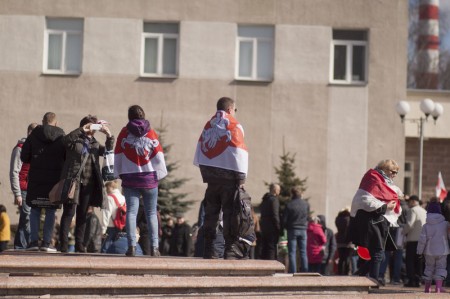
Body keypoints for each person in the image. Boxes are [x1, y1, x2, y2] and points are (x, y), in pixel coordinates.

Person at [193, 97, 250, 260]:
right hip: (229, 178)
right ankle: (230, 250)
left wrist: (206, 172)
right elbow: (240, 152)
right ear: (231, 109)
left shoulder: (209, 124)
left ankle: (209, 249)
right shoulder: (234, 125)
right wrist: (241, 177)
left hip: (212, 178)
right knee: (229, 214)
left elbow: (201, 148)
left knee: (211, 214)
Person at [114, 105, 167, 257]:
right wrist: (159, 173)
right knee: (151, 213)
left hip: (130, 178)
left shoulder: (124, 132)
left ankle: (131, 246)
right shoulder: (150, 132)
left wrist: (118, 173)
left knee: (131, 212)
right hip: (149, 178)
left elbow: (118, 154)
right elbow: (159, 155)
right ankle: (155, 248)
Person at [59, 115, 114, 253]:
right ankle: (64, 245)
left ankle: (79, 244)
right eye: (91, 126)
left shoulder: (94, 143)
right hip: (74, 181)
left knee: (83, 215)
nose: (92, 129)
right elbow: (64, 142)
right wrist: (81, 129)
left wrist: (109, 136)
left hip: (89, 183)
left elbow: (108, 150)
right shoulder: (75, 139)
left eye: (94, 126)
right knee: (69, 213)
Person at [349, 159, 401, 282]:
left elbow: (385, 194)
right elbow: (364, 199)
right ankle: (373, 281)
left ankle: (360, 276)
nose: (394, 175)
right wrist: (385, 206)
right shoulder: (373, 178)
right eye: (393, 172)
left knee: (379, 255)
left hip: (378, 221)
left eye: (396, 173)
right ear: (385, 170)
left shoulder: (382, 181)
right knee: (378, 253)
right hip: (371, 221)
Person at [21, 112, 65, 252]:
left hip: (36, 179)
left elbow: (24, 156)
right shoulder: (61, 136)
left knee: (35, 209)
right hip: (53, 180)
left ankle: (33, 242)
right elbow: (66, 157)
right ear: (56, 123)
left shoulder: (34, 135)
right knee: (51, 211)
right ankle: (46, 243)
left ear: (43, 121)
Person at [9, 123, 37, 250]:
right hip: (23, 188)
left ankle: (20, 246)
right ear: (29, 133)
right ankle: (31, 243)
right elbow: (14, 171)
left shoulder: (35, 148)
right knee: (27, 216)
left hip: (32, 188)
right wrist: (17, 193)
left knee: (25, 218)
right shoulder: (20, 148)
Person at [417, 201, 450, 293]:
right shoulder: (445, 224)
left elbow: (422, 240)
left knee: (429, 267)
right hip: (443, 250)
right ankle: (438, 288)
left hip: (429, 251)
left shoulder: (426, 226)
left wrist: (419, 251)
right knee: (441, 268)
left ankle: (427, 288)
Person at [282, 186, 310, 273]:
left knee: (292, 252)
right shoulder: (306, 204)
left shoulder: (289, 204)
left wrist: (286, 227)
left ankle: (293, 271)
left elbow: (284, 220)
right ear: (300, 193)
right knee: (303, 252)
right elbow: (307, 217)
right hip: (303, 229)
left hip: (292, 229)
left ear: (292, 194)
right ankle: (305, 270)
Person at [402, 195, 427, 287]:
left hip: (413, 240)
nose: (408, 204)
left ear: (412, 201)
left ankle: (411, 281)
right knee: (419, 262)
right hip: (422, 241)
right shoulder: (424, 211)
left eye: (409, 202)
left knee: (410, 261)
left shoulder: (412, 210)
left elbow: (409, 224)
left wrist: (403, 232)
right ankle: (418, 280)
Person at [101, 180, 126, 253]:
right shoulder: (123, 197)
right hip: (120, 226)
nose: (106, 190)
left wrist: (103, 229)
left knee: (105, 248)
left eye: (106, 188)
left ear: (110, 187)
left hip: (110, 226)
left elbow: (106, 214)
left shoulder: (109, 198)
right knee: (116, 248)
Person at [259, 183, 281, 260]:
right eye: (279, 190)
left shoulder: (264, 200)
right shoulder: (274, 200)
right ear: (275, 190)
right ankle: (271, 267)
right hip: (271, 227)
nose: (279, 191)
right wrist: (278, 227)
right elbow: (275, 215)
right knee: (271, 248)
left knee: (264, 247)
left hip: (264, 226)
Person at [335, 207, 353, 275]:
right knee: (347, 258)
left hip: (339, 241)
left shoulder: (337, 219)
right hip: (348, 241)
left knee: (341, 258)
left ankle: (340, 272)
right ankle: (346, 272)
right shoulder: (349, 219)